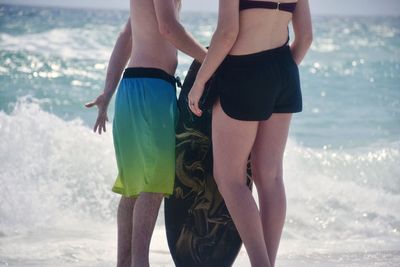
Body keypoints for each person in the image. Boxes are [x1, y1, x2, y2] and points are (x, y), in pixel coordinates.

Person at [188, 0, 312, 266]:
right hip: (285, 70)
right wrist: (277, 74)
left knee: (229, 178)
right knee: (271, 175)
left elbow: (227, 33)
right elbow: (306, 37)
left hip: (243, 71)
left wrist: (200, 81)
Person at [85, 1, 206, 266]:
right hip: (152, 90)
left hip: (131, 88)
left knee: (133, 187)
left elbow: (127, 36)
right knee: (152, 185)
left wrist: (108, 91)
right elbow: (168, 28)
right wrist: (210, 60)